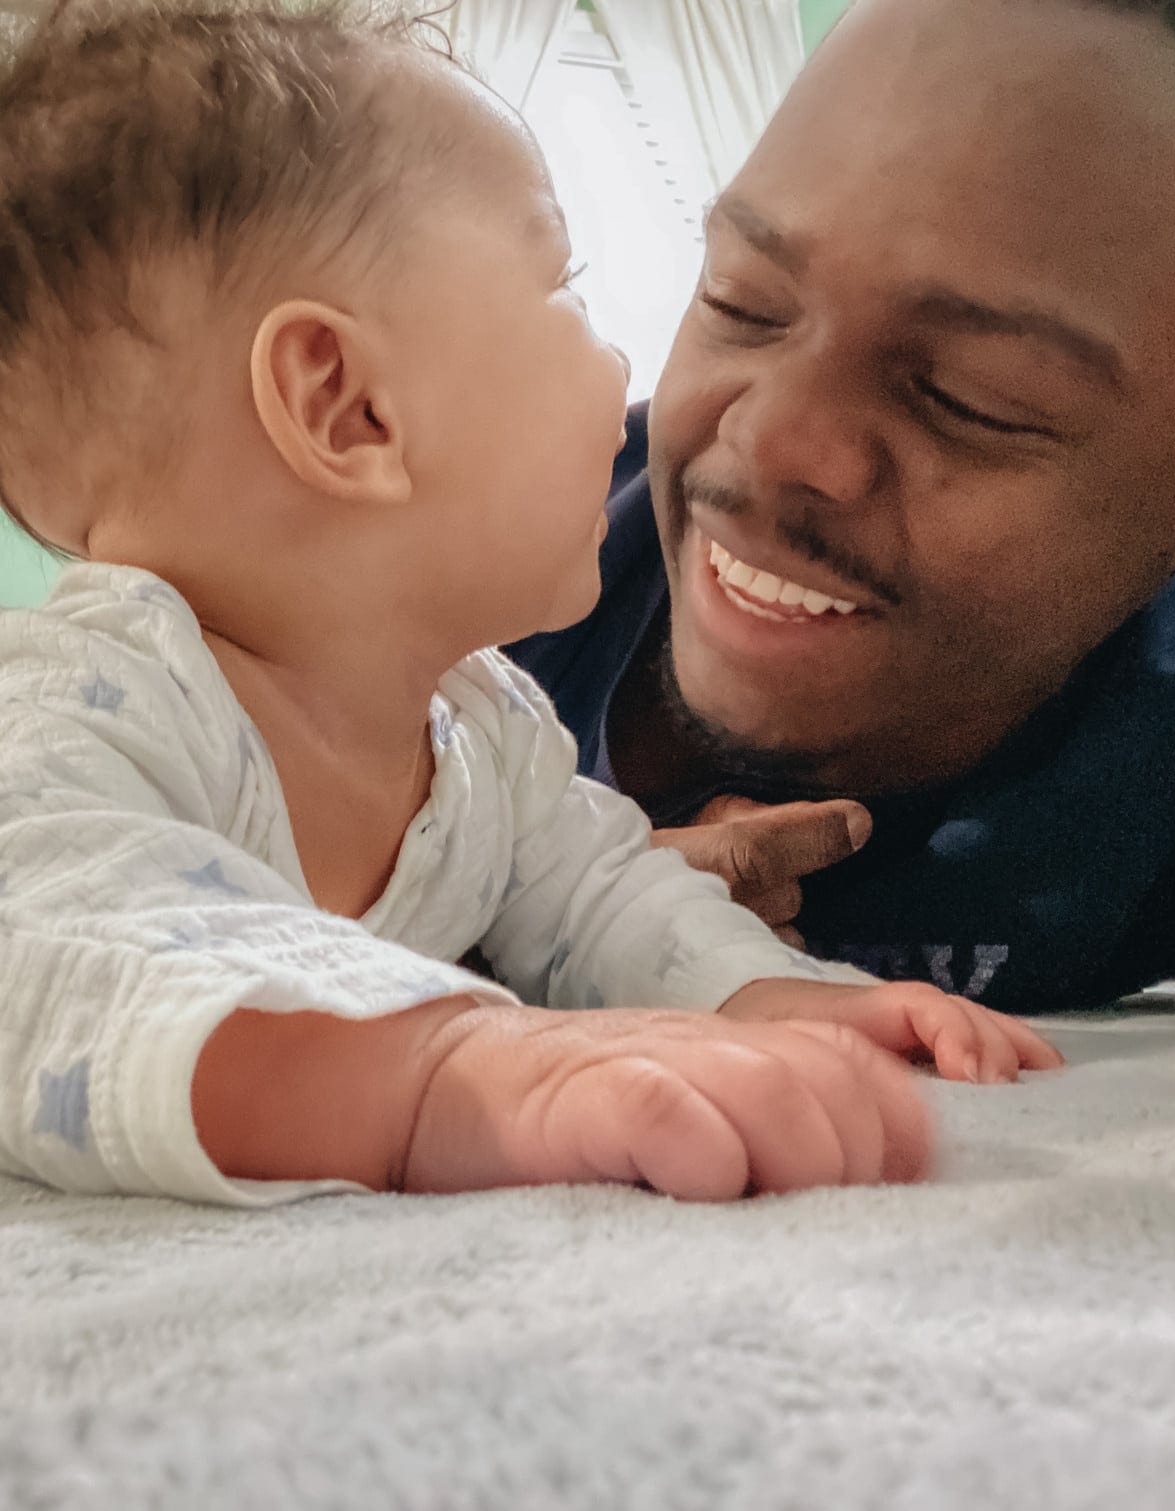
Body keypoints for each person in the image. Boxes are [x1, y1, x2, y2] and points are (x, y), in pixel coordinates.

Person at [0, 0, 1062, 1207]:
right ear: (350, 409)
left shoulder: (479, 726)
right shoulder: (86, 710)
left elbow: (604, 898)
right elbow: (50, 957)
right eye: (566, 289)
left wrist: (778, 1002)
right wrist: (440, 1069)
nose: (623, 372)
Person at [511, 0, 1175, 1016]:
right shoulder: (403, 554)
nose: (773, 438)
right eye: (743, 302)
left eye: (972, 397)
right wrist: (520, 925)